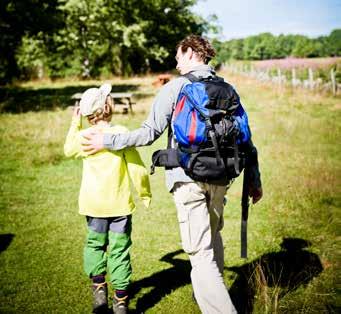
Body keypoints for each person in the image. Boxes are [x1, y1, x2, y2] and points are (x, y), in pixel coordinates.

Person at [81, 35, 263, 314]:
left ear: (191, 52)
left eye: (178, 55)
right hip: (221, 179)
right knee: (212, 241)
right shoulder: (228, 88)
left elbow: (147, 133)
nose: (175, 61)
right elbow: (246, 139)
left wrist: (107, 141)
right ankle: (209, 294)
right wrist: (254, 178)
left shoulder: (176, 87)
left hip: (186, 178)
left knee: (200, 254)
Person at [64, 83, 151, 314]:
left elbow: (67, 149)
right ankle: (121, 301)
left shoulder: (83, 136)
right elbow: (137, 169)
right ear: (107, 106)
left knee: (95, 245)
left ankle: (99, 288)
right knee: (120, 251)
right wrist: (145, 194)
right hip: (120, 206)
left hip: (93, 206)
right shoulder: (121, 133)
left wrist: (76, 123)